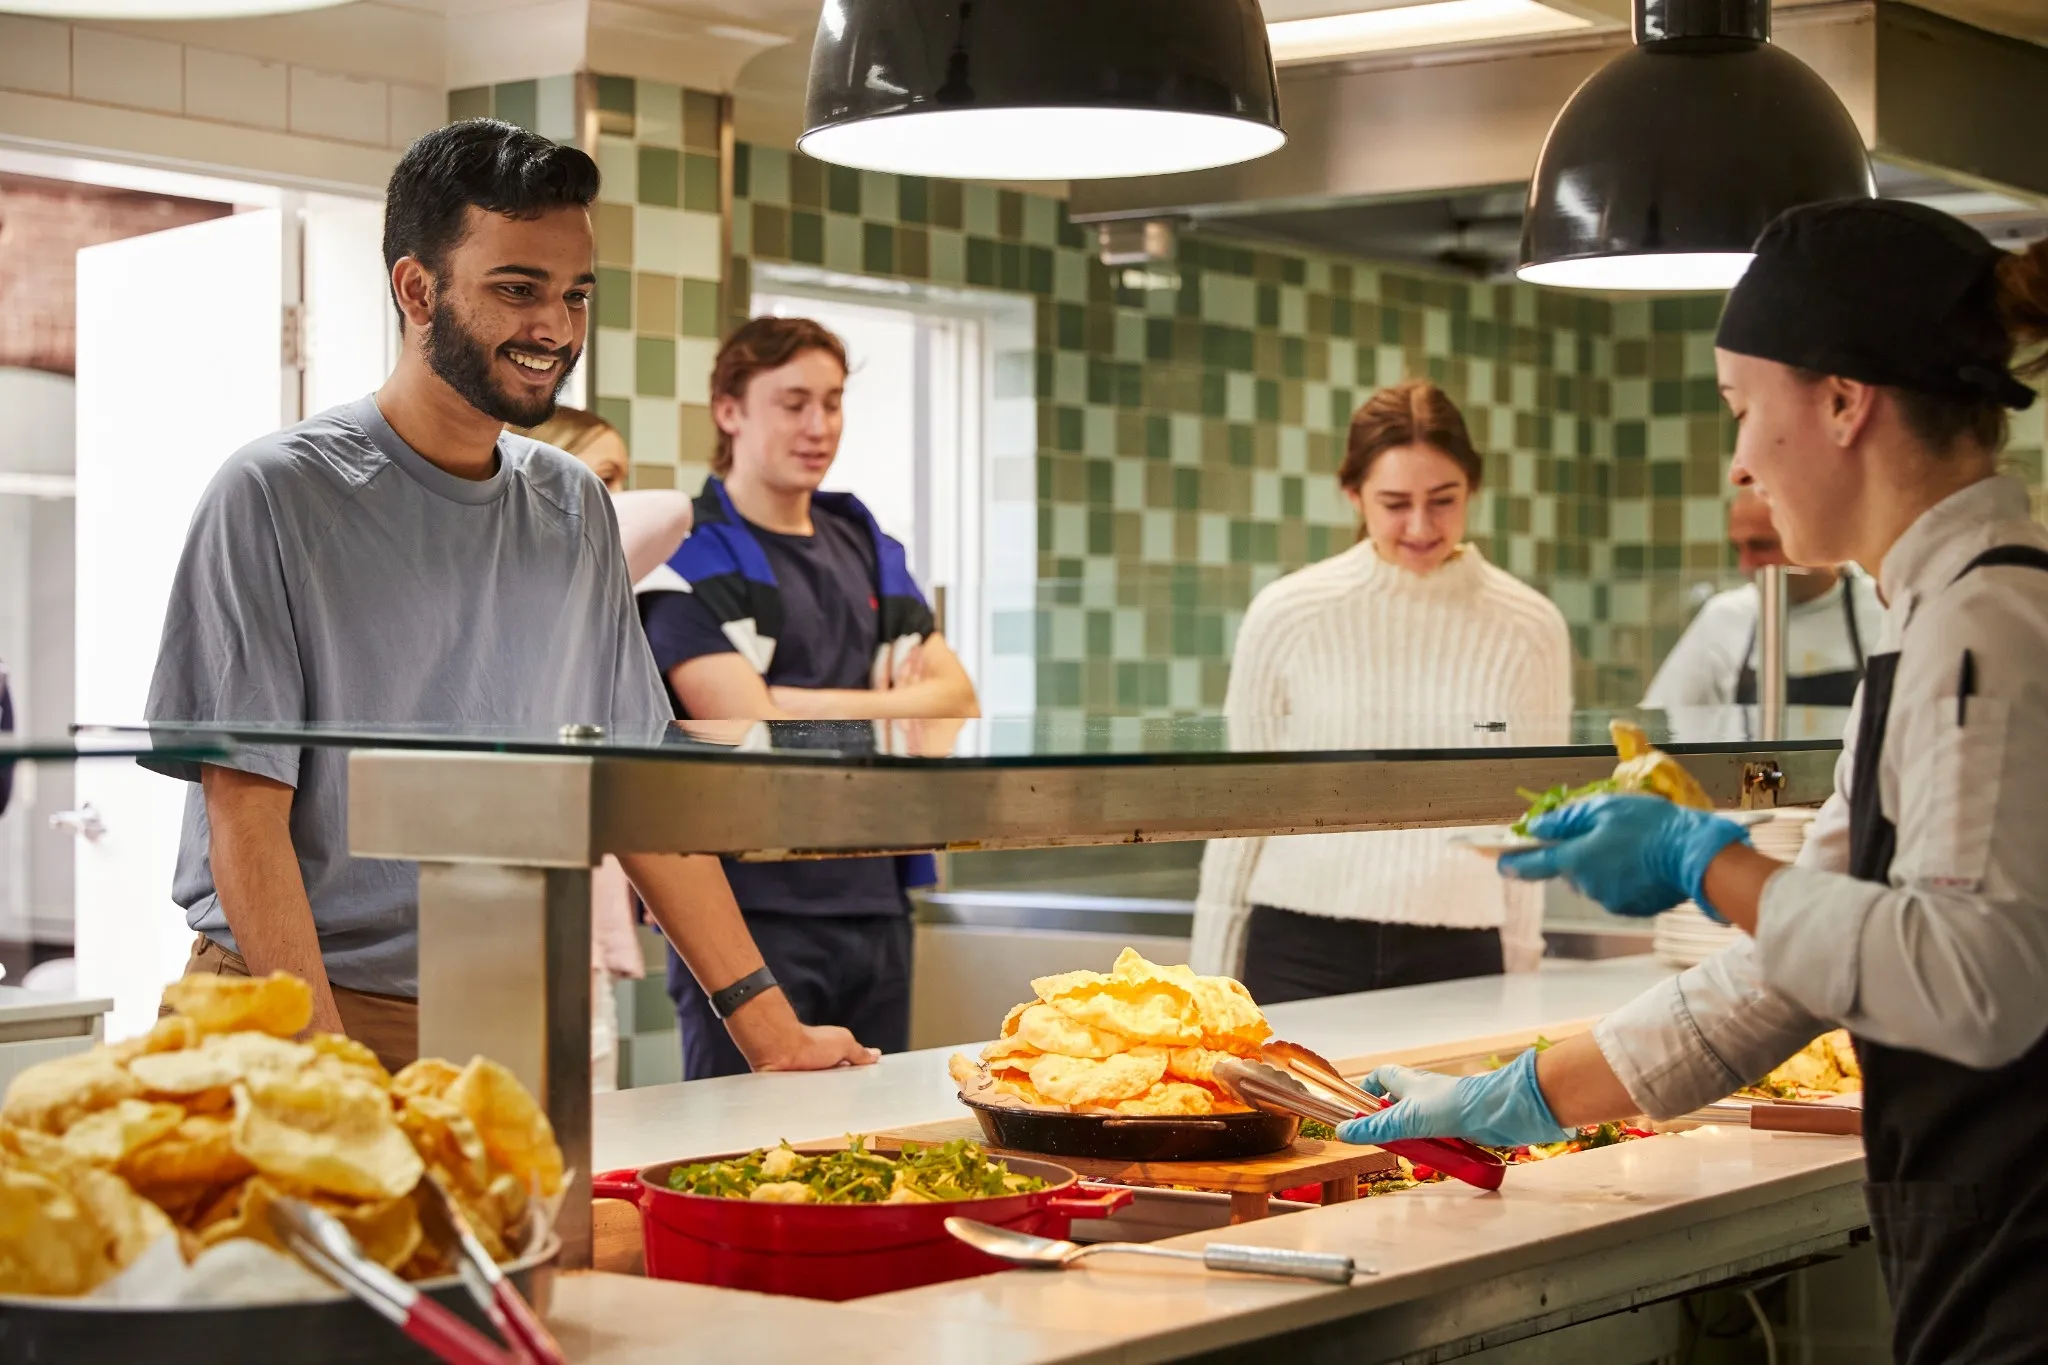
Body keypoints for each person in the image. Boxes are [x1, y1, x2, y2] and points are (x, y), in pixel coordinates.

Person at [1336, 202, 2048, 1365]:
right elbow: (1781, 974)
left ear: (1838, 401)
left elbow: (1973, 979)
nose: (1738, 460)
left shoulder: (1987, 629)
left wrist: (1702, 859)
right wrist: (1519, 1096)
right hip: (1975, 1232)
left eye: (1739, 408)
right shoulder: (1931, 620)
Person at [141, 119, 874, 1077]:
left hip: (499, 1008)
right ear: (417, 289)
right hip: (286, 1004)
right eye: (518, 289)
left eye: (575, 295)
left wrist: (766, 1027)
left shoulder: (570, 503)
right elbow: (245, 810)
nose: (558, 330)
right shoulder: (277, 492)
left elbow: (637, 789)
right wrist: (322, 1064)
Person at [636, 315, 979, 1079]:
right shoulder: (689, 554)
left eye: (832, 401)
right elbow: (745, 727)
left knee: (874, 1144)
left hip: (876, 896)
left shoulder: (865, 543)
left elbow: (956, 705)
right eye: (793, 402)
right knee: (747, 1149)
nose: (819, 426)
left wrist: (792, 700)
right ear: (730, 410)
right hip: (747, 912)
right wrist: (879, 706)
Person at [1192, 379, 1572, 1003]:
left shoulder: (1530, 627)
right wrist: (1209, 983)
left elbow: (1528, 817)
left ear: (1472, 489)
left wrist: (1522, 970)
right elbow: (1240, 812)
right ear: (1353, 493)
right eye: (1395, 502)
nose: (1421, 526)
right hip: (1297, 943)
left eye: (1443, 500)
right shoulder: (1287, 613)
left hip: (1463, 947)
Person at [518, 405, 693, 1091]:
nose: (611, 500)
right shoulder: (540, 557)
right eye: (602, 479)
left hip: (567, 924)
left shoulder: (577, 599)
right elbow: (670, 508)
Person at [1643, 488, 1882, 708]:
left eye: (1762, 546)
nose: (1745, 566)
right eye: (1738, 549)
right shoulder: (1725, 616)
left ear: (1820, 538)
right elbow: (1661, 720)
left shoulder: (1885, 608)